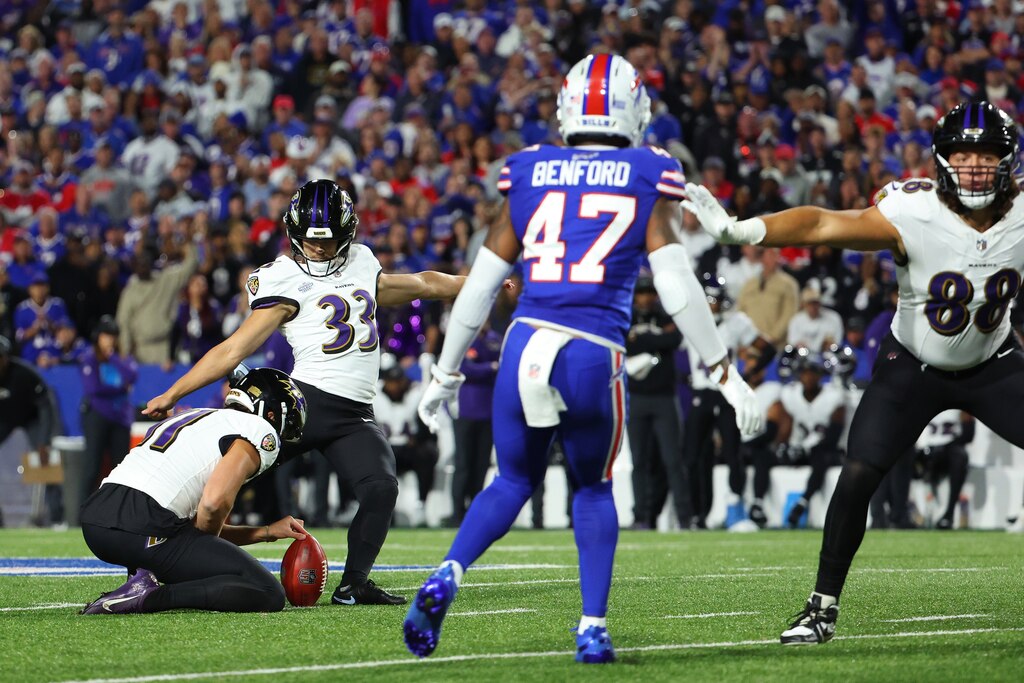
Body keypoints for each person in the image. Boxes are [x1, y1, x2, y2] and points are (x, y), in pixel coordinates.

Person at [405, 53, 760, 664]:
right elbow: (675, 285)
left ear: (569, 106)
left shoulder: (531, 168)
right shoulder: (647, 171)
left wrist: (444, 373)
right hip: (592, 352)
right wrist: (724, 372)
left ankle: (450, 572)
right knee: (592, 488)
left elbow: (481, 287)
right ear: (635, 109)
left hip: (523, 345)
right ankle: (591, 627)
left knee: (512, 480)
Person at [682, 100, 1024, 644]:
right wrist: (740, 231)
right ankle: (820, 607)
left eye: (986, 157)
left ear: (1008, 162)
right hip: (912, 365)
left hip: (993, 363)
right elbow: (820, 223)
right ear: (942, 161)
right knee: (859, 472)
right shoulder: (915, 211)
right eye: (963, 156)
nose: (975, 168)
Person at [144, 179, 467, 606]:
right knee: (220, 480)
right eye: (310, 241)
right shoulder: (283, 278)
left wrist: (478, 284)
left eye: (328, 240)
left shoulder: (361, 262)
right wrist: (173, 393)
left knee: (381, 488)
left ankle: (354, 584)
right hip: (302, 405)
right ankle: (168, 558)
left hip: (354, 414)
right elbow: (233, 349)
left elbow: (424, 283)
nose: (318, 249)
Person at [79, 368, 308, 615]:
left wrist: (266, 532)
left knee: (183, 541)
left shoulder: (198, 416)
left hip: (99, 517)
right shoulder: (259, 431)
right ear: (272, 414)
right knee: (266, 591)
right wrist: (203, 545)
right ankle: (150, 597)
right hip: (142, 524)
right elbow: (212, 504)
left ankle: (141, 581)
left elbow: (190, 534)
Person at [685, 274, 776, 529]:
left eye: (715, 299)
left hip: (727, 392)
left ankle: (736, 506)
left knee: (732, 451)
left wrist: (748, 373)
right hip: (701, 392)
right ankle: (697, 513)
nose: (712, 304)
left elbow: (767, 347)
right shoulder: (688, 316)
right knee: (694, 455)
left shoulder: (735, 322)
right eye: (709, 299)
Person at [624, 274, 689, 530]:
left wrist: (642, 339)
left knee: (673, 459)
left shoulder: (665, 316)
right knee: (638, 460)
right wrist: (657, 338)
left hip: (664, 396)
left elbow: (675, 340)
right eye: (642, 293)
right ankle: (641, 516)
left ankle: (685, 517)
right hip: (637, 396)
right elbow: (623, 344)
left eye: (649, 292)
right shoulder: (628, 317)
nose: (646, 297)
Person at [770, 350, 846, 529]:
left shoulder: (833, 396)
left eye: (813, 372)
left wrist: (807, 447)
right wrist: (783, 446)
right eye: (804, 372)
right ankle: (757, 505)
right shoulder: (790, 395)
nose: (808, 376)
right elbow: (784, 428)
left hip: (825, 449)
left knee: (822, 455)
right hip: (798, 448)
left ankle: (803, 501)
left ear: (821, 374)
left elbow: (833, 436)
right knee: (763, 456)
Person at [77, 316, 137, 523]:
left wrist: (113, 359)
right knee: (92, 466)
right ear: (98, 337)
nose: (109, 340)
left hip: (120, 419)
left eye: (112, 336)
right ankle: (81, 515)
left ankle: (118, 516)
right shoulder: (90, 358)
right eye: (105, 336)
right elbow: (93, 388)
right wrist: (120, 388)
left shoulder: (120, 359)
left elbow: (132, 375)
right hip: (98, 416)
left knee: (120, 467)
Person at [0, 335, 57, 527]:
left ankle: (52, 516)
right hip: (2, 419)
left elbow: (45, 406)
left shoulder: (24, 374)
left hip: (29, 417)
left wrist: (43, 441)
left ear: (7, 358)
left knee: (44, 461)